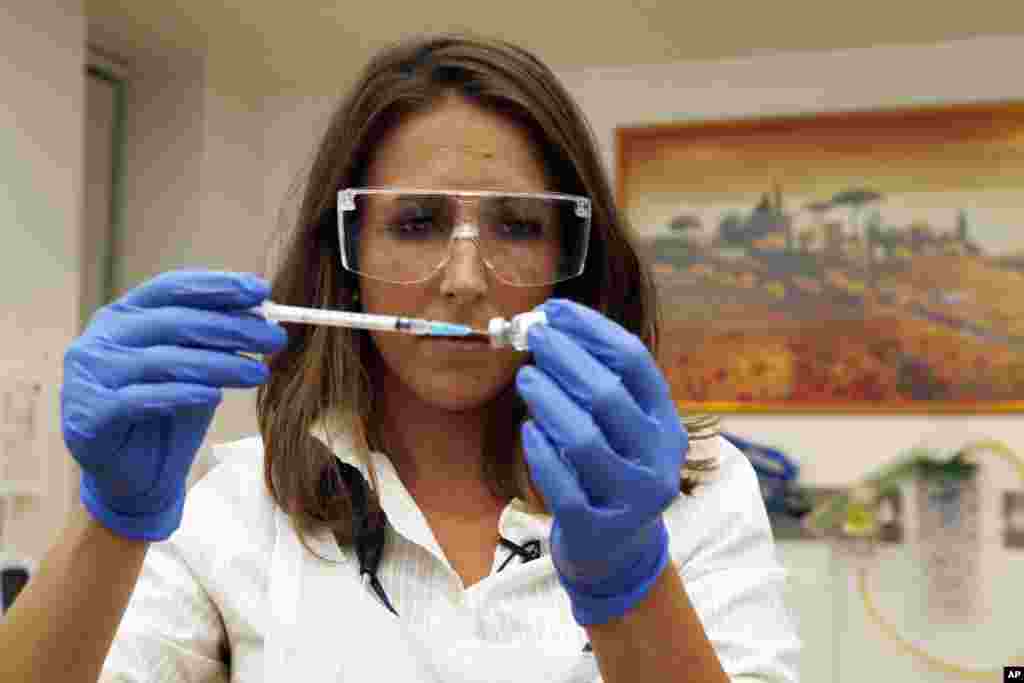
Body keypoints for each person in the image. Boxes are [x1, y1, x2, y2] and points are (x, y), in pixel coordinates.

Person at [0, 33, 800, 683]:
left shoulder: (697, 495)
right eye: (416, 223)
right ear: (345, 255)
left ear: (572, 257)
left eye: (516, 226)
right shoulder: (234, 508)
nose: (462, 280)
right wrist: (109, 524)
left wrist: (632, 579)